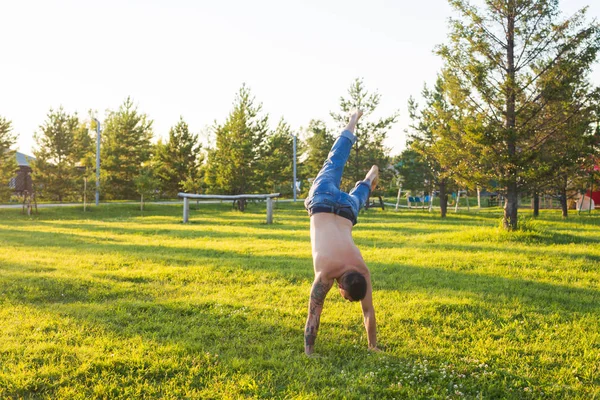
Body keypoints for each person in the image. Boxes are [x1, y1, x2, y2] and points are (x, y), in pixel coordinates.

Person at [303, 109, 380, 356]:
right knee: (334, 161)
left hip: (346, 210)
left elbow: (368, 310)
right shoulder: (325, 275)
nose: (346, 299)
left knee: (337, 159)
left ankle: (368, 177)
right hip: (322, 201)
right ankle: (367, 181)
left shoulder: (363, 269)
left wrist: (373, 346)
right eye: (347, 298)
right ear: (340, 287)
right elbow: (314, 312)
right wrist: (309, 352)